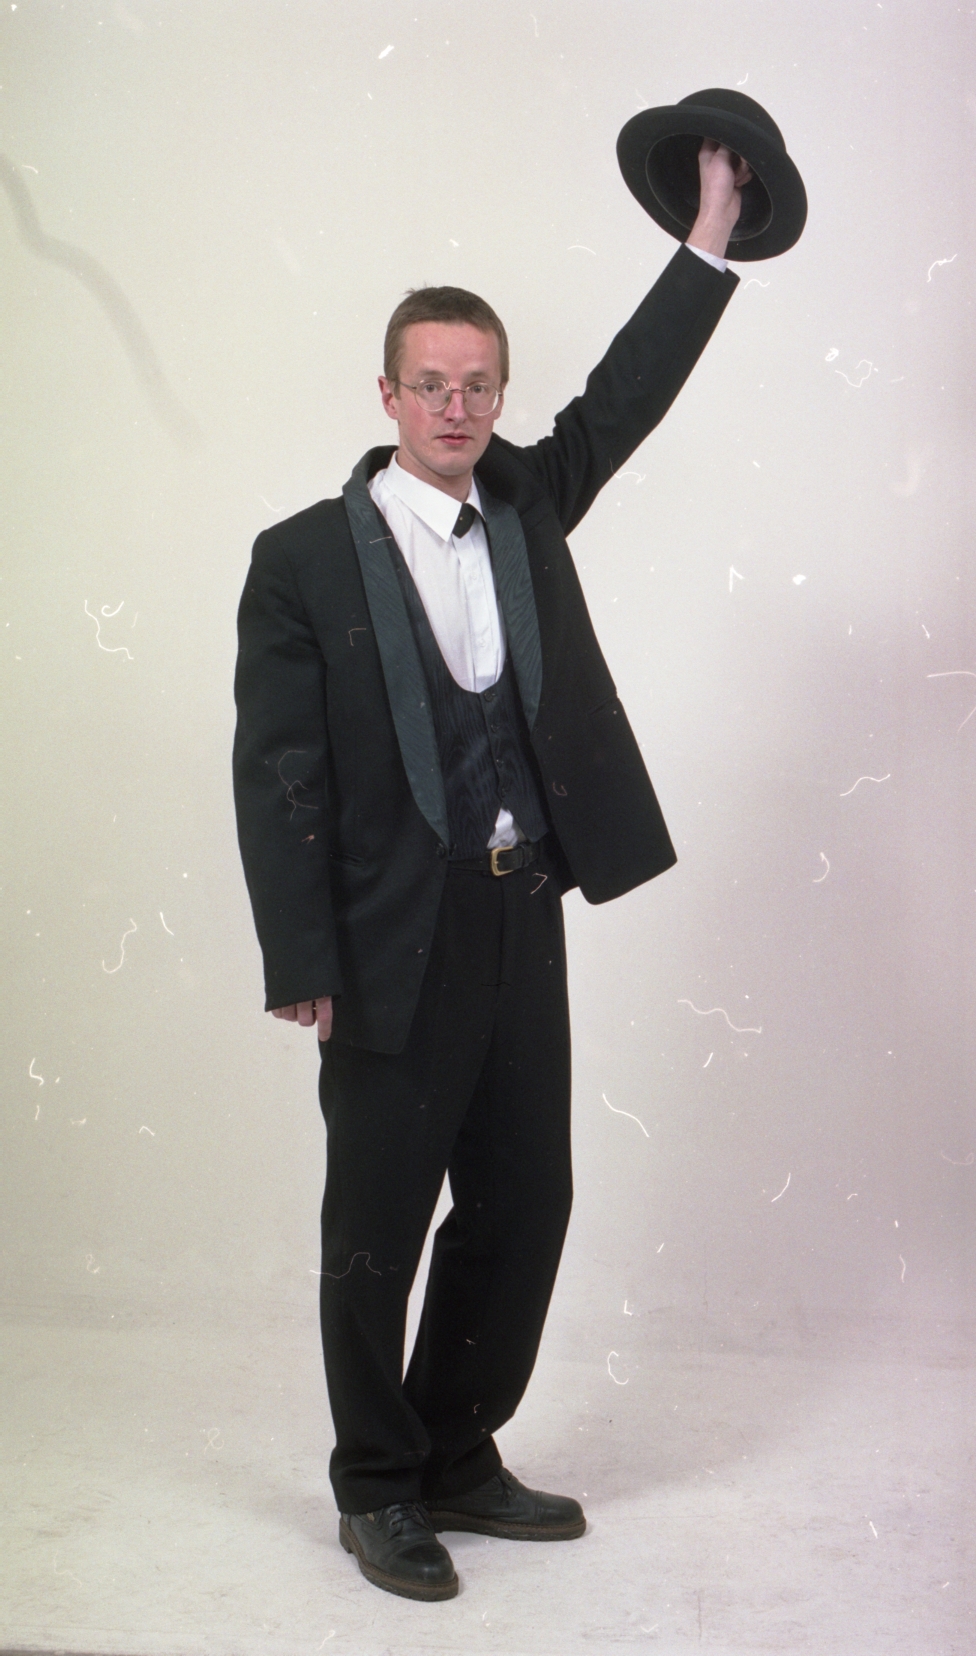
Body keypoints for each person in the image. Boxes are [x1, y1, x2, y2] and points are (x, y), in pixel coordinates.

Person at [232, 140, 749, 1602]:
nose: (455, 408)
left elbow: (626, 399)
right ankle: (376, 1484)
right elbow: (277, 775)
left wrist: (711, 234)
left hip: (521, 916)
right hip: (387, 937)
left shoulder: (523, 505)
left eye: (478, 386)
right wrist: (303, 959)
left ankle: (457, 1451)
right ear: (387, 396)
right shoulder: (301, 560)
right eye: (430, 385)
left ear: (500, 398)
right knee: (376, 1225)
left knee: (527, 1202)